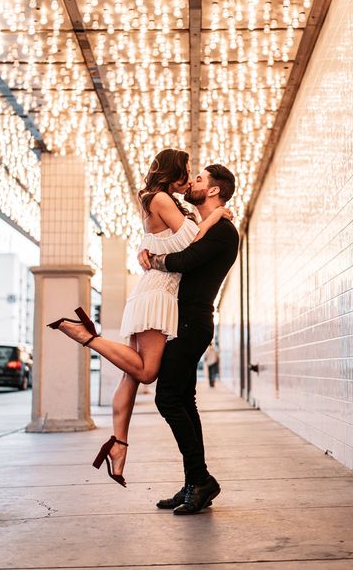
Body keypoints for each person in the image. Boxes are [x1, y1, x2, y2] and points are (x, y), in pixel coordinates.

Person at [48, 149, 232, 487]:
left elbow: (175, 245)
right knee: (147, 373)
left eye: (197, 175)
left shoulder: (163, 202)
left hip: (154, 293)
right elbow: (191, 245)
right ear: (173, 171)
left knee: (131, 377)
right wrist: (215, 216)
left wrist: (151, 250)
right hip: (158, 293)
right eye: (187, 170)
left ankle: (118, 445)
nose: (190, 178)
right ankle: (89, 335)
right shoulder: (162, 198)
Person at [138, 163, 239, 514]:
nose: (192, 182)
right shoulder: (204, 226)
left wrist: (154, 260)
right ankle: (194, 482)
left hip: (193, 322)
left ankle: (201, 480)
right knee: (183, 398)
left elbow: (185, 260)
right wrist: (149, 253)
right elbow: (180, 247)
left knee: (167, 398)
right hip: (182, 321)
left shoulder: (224, 230)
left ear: (213, 190)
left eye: (199, 180)